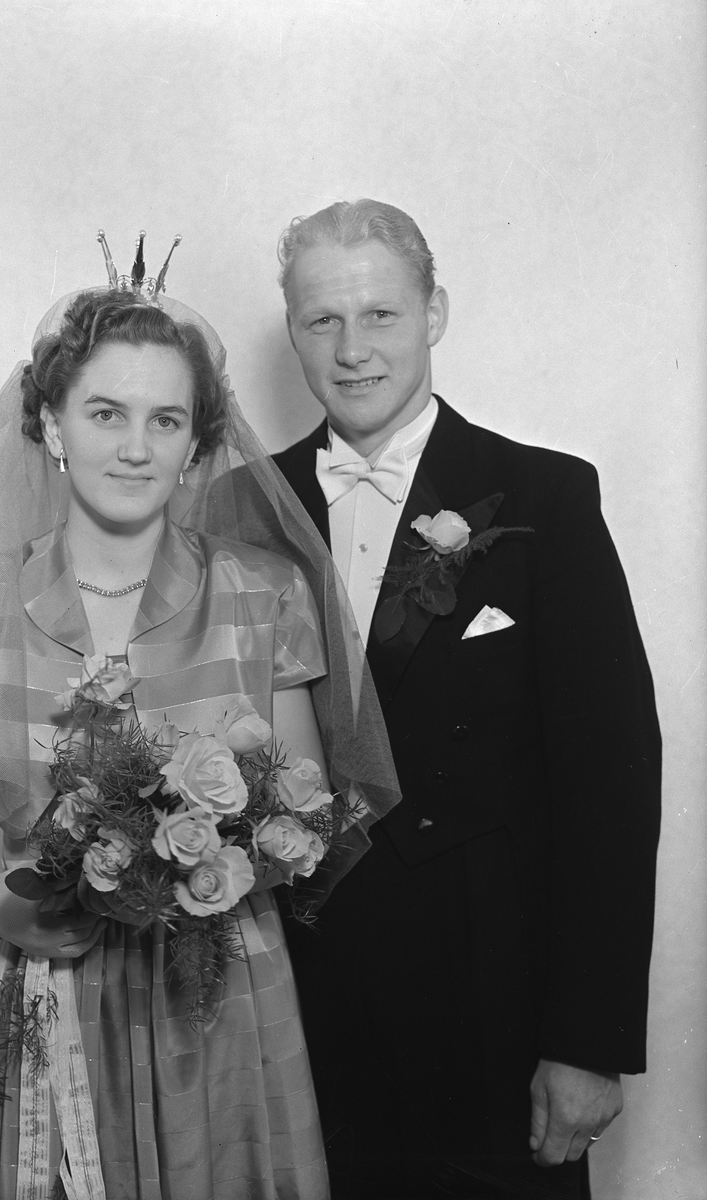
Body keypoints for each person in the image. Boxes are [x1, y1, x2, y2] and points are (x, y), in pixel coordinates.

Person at [0, 241, 398, 1199]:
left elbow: (308, 805)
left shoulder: (263, 594)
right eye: (106, 413)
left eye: (166, 420)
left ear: (197, 443)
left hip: (218, 997)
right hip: (41, 990)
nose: (135, 447)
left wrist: (199, 855)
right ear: (52, 423)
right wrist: (2, 907)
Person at [272, 200, 662, 1200]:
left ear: (434, 312)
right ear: (292, 331)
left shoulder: (545, 499)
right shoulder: (244, 509)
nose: (352, 349)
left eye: (381, 314)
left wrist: (589, 1040)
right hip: (297, 1009)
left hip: (493, 1006)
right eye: (322, 320)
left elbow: (611, 784)